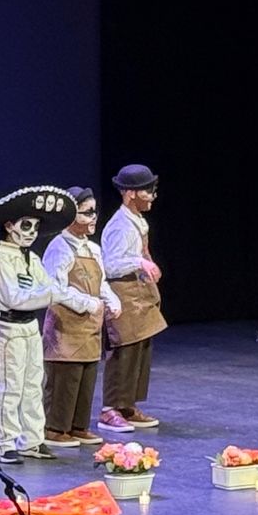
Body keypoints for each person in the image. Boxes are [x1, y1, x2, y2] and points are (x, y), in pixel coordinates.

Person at [0, 186, 85, 465]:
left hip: (30, 327)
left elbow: (49, 287)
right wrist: (50, 294)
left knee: (33, 385)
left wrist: (82, 302)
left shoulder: (30, 257)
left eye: (35, 227)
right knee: (10, 388)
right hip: (9, 329)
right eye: (26, 225)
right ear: (10, 226)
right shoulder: (2, 258)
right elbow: (15, 297)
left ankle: (32, 440)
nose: (31, 232)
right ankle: (5, 443)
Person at [42, 188, 121, 447]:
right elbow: (55, 288)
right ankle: (55, 427)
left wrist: (112, 300)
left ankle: (78, 426)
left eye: (94, 212)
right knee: (66, 376)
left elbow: (101, 282)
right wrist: (87, 303)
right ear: (69, 217)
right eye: (87, 213)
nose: (93, 217)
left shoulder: (93, 249)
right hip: (65, 325)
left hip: (89, 325)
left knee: (85, 377)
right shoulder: (59, 247)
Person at [99, 164, 166, 434]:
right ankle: (110, 409)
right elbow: (110, 265)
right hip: (123, 292)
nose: (152, 197)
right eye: (147, 191)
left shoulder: (136, 220)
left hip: (139, 293)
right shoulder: (120, 226)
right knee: (123, 352)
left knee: (140, 351)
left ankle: (127, 405)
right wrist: (139, 262)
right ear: (130, 193)